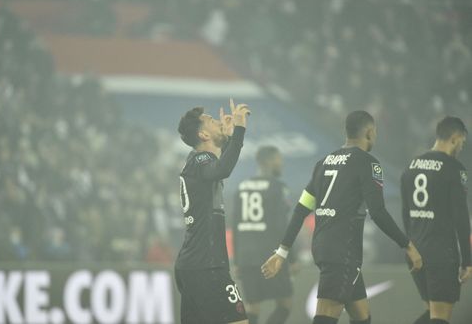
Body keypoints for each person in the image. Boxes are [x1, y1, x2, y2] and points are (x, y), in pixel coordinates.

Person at [261, 110, 422, 324]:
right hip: (342, 252)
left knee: (362, 315)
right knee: (326, 314)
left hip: (324, 247)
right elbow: (378, 212)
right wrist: (407, 245)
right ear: (370, 132)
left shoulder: (323, 163)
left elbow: (301, 209)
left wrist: (281, 252)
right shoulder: (368, 162)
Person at [175, 100, 251, 324]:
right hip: (206, 266)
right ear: (203, 135)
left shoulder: (198, 163)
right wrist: (239, 130)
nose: (218, 121)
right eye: (211, 121)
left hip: (194, 265)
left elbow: (219, 168)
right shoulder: (201, 159)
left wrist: (227, 139)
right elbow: (223, 169)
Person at [401, 116, 471, 324]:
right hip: (441, 254)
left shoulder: (411, 166)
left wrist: (409, 246)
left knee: (432, 312)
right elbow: (461, 217)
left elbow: (406, 213)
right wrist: (467, 260)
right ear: (456, 138)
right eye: (462, 143)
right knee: (440, 317)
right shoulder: (454, 169)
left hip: (416, 252)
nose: (462, 147)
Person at [232, 146, 296, 324]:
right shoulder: (277, 187)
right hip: (270, 255)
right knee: (285, 303)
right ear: (268, 161)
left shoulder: (242, 187)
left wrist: (237, 260)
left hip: (245, 257)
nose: (281, 163)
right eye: (278, 159)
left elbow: (236, 226)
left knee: (253, 307)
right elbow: (282, 225)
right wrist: (292, 257)